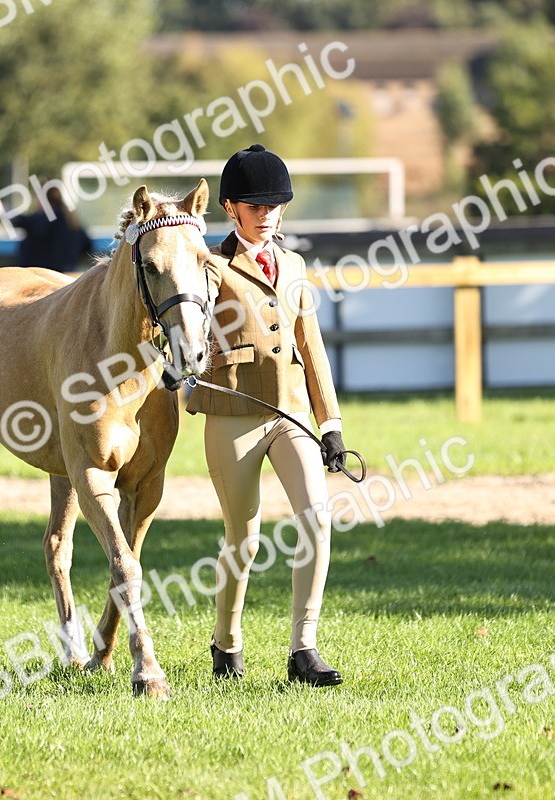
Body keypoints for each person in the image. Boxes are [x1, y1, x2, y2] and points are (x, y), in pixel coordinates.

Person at [187, 144, 347, 687]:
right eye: (256, 207)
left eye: (274, 206)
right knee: (245, 539)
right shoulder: (211, 266)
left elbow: (312, 345)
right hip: (234, 411)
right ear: (230, 208)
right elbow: (190, 323)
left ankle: (304, 648)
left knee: (317, 518)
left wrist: (331, 424)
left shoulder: (295, 266)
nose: (267, 215)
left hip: (292, 413)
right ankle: (226, 643)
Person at [0, 182, 93, 272]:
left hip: (43, 281)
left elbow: (24, 221)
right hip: (67, 279)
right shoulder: (73, 221)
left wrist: (1, 211)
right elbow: (87, 247)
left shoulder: (48, 218)